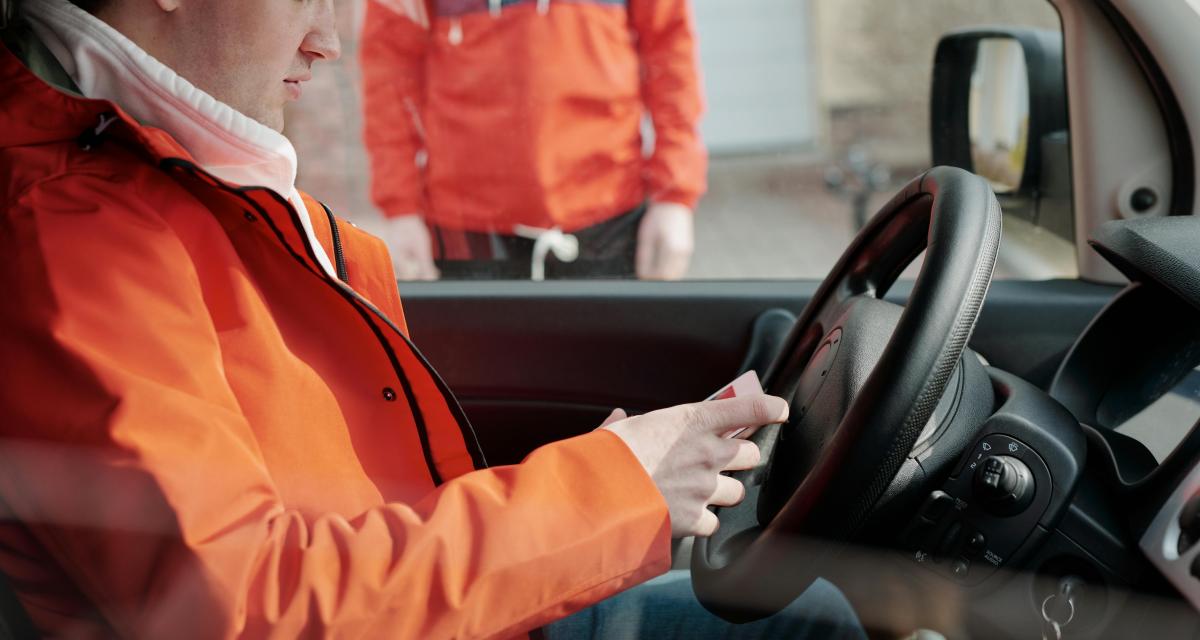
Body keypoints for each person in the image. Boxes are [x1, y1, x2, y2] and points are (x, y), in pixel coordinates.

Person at [0, 0, 863, 637]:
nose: (329, 40)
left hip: (597, 215)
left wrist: (594, 488)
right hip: (469, 235)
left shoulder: (166, 179)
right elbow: (245, 605)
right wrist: (607, 494)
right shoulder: (73, 239)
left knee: (802, 609)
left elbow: (667, 47)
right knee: (812, 617)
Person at [360, 0, 705, 281]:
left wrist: (673, 198)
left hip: (608, 216)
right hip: (466, 228)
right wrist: (401, 209)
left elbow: (671, 51)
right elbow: (389, 68)